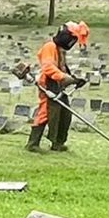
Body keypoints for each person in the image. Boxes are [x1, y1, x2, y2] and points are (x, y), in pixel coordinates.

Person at [27, 21, 90, 153]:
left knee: (64, 114)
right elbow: (48, 68)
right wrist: (65, 78)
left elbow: (62, 69)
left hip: (58, 85)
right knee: (45, 113)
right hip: (48, 85)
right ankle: (32, 144)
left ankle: (58, 142)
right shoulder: (49, 47)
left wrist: (74, 80)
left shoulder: (60, 50)